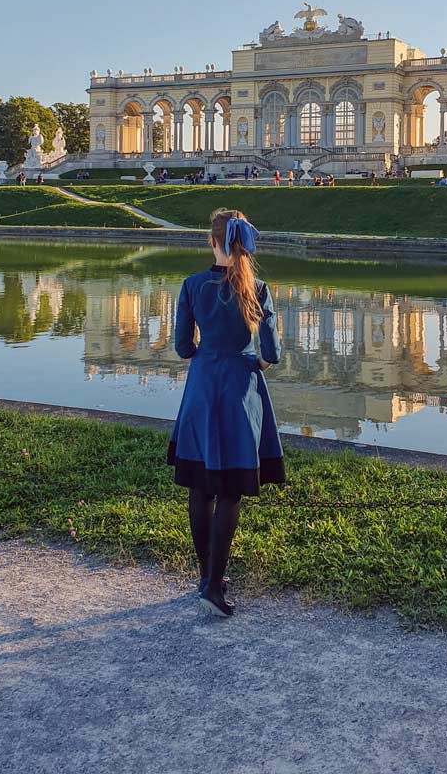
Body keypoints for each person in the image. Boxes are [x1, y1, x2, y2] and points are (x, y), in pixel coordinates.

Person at [168, 209, 284, 618]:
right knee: (230, 490)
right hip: (239, 387)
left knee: (200, 487)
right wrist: (252, 361)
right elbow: (271, 353)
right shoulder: (258, 289)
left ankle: (206, 578)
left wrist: (205, 356)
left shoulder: (192, 286)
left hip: (202, 386)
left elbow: (183, 347)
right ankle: (215, 583)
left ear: (211, 242)